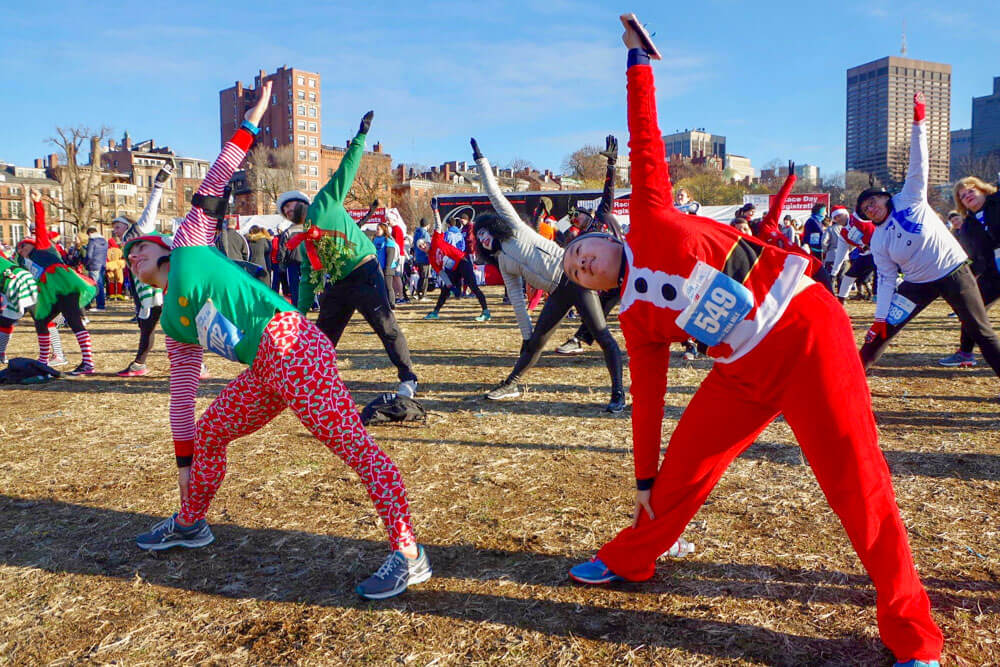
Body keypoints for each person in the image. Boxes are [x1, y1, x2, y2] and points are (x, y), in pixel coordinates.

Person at [561, 23, 943, 666]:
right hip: (742, 368)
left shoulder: (652, 214)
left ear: (602, 234)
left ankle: (912, 633)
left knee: (857, 479)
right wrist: (645, 476)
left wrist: (635, 63)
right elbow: (649, 396)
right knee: (685, 464)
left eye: (581, 252)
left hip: (805, 331)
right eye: (575, 272)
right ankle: (633, 557)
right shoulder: (634, 320)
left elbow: (644, 138)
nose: (582, 264)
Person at [127, 85, 430, 600]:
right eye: (128, 253)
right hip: (263, 369)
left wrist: (251, 120)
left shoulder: (187, 245)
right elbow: (180, 400)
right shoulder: (175, 331)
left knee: (353, 447)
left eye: (140, 247)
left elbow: (219, 175)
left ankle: (409, 553)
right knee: (209, 431)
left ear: (161, 244)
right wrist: (183, 469)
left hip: (291, 346)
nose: (133, 255)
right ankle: (190, 522)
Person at [472, 137, 625, 412]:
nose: (483, 239)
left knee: (602, 335)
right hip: (557, 292)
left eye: (485, 233)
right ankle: (512, 384)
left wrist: (481, 162)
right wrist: (526, 333)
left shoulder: (515, 227)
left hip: (576, 280)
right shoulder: (503, 263)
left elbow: (495, 195)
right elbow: (518, 299)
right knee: (536, 342)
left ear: (493, 228)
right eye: (479, 238)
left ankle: (618, 394)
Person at [856, 92, 1000, 381]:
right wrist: (881, 318)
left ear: (884, 198)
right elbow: (885, 279)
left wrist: (918, 122)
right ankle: (849, 380)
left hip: (954, 272)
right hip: (916, 285)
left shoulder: (910, 197)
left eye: (872, 202)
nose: (870, 209)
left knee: (980, 330)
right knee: (878, 337)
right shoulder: (878, 239)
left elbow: (919, 162)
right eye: (864, 210)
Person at [277, 111, 419, 398]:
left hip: (364, 270)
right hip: (339, 282)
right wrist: (299, 316)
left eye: (290, 206)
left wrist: (361, 137)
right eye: (285, 212)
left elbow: (346, 170)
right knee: (322, 335)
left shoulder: (325, 202)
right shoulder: (305, 242)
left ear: (301, 202)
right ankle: (313, 382)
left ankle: (408, 377)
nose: (289, 212)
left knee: (386, 326)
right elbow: (307, 279)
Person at [556, 135, 625, 356]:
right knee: (602, 306)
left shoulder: (603, 214)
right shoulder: (583, 240)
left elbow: (609, 191)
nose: (577, 220)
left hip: (632, 263)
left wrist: (611, 165)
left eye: (578, 216)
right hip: (614, 277)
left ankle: (691, 343)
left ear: (588, 212)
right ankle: (578, 339)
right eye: (573, 219)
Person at [937, 175, 1000, 367]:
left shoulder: (997, 202)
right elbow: (973, 254)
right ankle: (965, 353)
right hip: (993, 273)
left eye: (971, 190)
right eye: (963, 196)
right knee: (972, 307)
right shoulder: (968, 225)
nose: (968, 196)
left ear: (982, 189)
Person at [117, 174, 171, 377]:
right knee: (147, 326)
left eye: (118, 225)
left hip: (160, 287)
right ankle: (139, 363)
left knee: (172, 326)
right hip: (146, 288)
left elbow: (151, 209)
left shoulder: (141, 228)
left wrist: (158, 185)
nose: (115, 229)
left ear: (126, 224)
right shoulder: (127, 241)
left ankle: (140, 363)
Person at [421, 199, 490, 321]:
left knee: (473, 286)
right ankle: (435, 312)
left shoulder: (436, 239)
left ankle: (486, 312)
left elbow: (438, 224)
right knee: (444, 290)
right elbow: (441, 273)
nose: (423, 246)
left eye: (423, 243)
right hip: (453, 268)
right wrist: (449, 284)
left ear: (427, 242)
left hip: (462, 260)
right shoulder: (431, 259)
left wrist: (435, 210)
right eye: (420, 247)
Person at [0, 250, 64, 367]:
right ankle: (1, 353)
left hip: (21, 284)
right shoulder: (11, 256)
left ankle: (58, 355)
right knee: (7, 321)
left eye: (23, 246)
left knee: (43, 320)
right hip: (17, 282)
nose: (21, 248)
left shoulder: (42, 254)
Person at [84, 226, 109, 310]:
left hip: (94, 265)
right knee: (100, 285)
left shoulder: (92, 241)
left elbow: (89, 255)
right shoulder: (104, 241)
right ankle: (101, 304)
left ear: (90, 233)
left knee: (96, 285)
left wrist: (86, 264)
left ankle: (100, 305)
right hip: (102, 265)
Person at [412, 218, 432, 300]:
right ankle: (423, 295)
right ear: (427, 225)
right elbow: (427, 246)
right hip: (424, 257)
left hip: (417, 257)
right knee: (425, 277)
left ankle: (418, 293)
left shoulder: (416, 232)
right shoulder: (425, 234)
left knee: (421, 276)